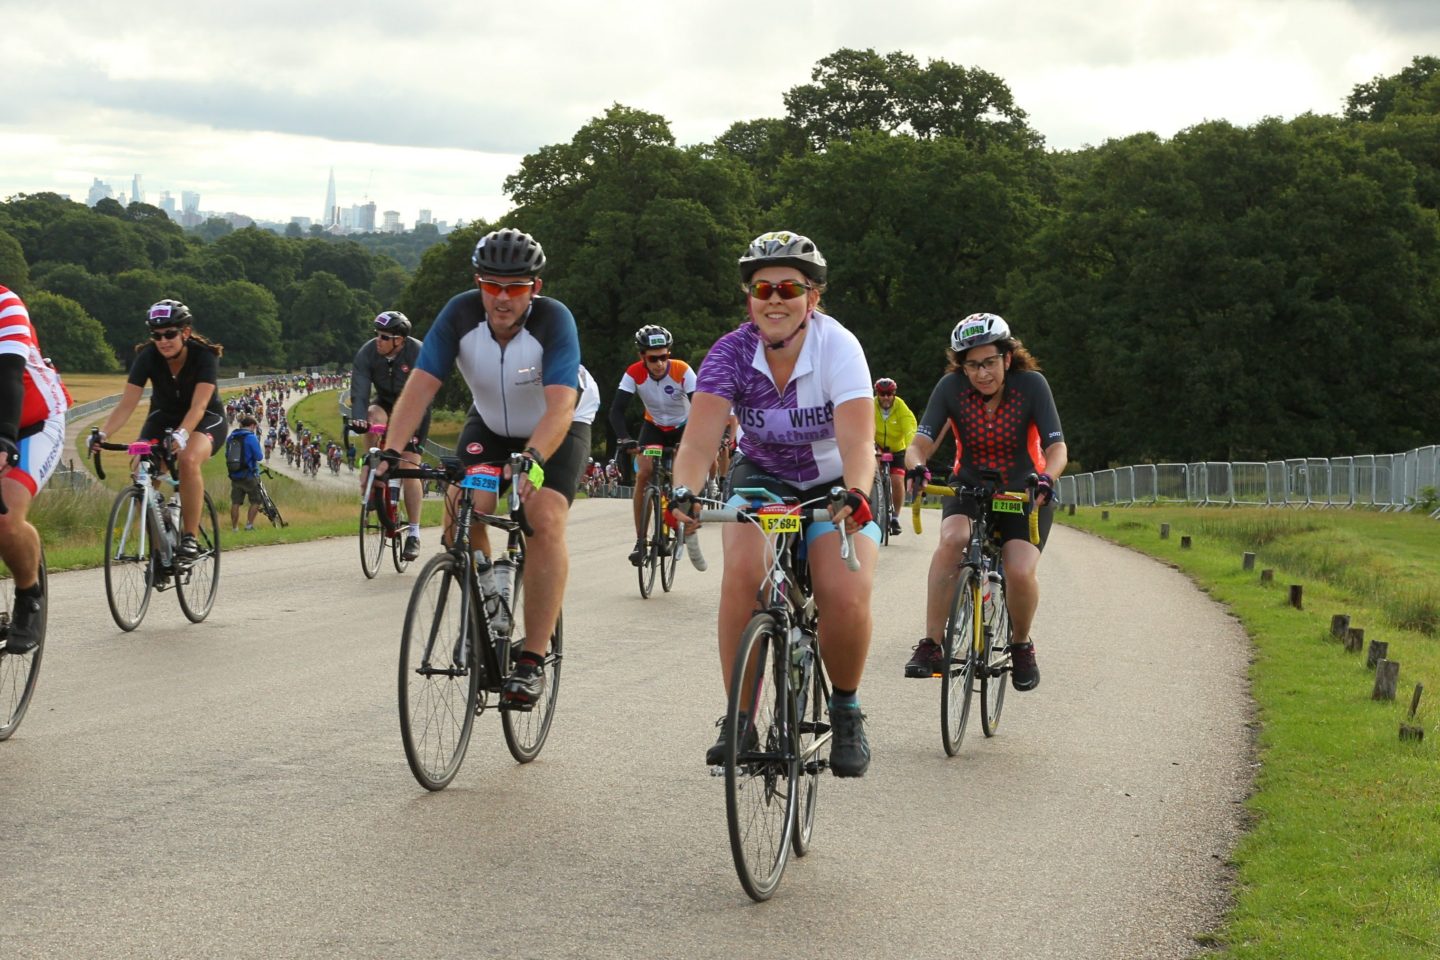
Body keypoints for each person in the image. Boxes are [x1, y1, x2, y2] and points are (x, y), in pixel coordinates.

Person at [668, 230, 879, 778]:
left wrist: (855, 494)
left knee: (843, 591)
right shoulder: (731, 353)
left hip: (835, 481)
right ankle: (738, 718)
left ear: (813, 297)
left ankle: (847, 709)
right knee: (742, 571)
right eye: (763, 288)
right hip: (762, 474)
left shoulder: (838, 347)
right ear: (750, 299)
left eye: (790, 287)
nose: (775, 298)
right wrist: (684, 493)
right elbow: (696, 442)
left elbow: (859, 444)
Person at [378, 228, 586, 709]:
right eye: (492, 285)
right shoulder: (460, 312)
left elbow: (559, 408)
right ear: (479, 283)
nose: (502, 297)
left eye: (516, 287)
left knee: (543, 518)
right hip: (490, 424)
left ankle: (532, 659)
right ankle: (490, 597)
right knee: (462, 507)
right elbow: (422, 386)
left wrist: (531, 461)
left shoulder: (555, 321)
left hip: (556, 429)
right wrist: (390, 452)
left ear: (535, 287)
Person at [902, 312, 1067, 689]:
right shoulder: (950, 388)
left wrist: (1047, 477)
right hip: (969, 486)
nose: (982, 374)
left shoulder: (1032, 386)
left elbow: (1057, 446)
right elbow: (920, 444)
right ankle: (931, 643)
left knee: (1020, 570)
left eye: (990, 362)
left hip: (1023, 490)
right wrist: (916, 467)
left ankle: (1021, 644)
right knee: (952, 539)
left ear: (1007, 359)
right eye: (972, 365)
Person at [92, 300, 227, 562]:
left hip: (204, 419)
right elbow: (126, 404)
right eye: (156, 335)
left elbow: (199, 407)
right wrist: (103, 434)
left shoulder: (204, 356)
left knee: (188, 460)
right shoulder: (148, 357)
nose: (163, 340)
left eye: (169, 334)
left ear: (185, 333)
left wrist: (182, 435)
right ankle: (159, 552)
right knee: (141, 471)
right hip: (162, 417)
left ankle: (189, 538)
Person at [0, 285, 71, 654]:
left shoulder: (6, 304)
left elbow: (9, 376)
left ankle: (29, 596)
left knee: (6, 516)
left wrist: (5, 439)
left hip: (32, 421)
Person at [609, 325, 696, 565]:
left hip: (683, 426)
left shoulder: (682, 370)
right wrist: (625, 438)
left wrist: (692, 443)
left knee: (680, 473)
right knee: (643, 474)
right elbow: (616, 411)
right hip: (654, 426)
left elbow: (699, 406)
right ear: (642, 357)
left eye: (664, 356)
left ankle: (677, 519)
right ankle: (640, 540)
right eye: (653, 358)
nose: (659, 363)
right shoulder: (634, 373)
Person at [350, 311, 428, 561]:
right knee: (372, 415)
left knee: (409, 467)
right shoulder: (368, 352)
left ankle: (414, 533)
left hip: (415, 407)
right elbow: (360, 387)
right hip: (384, 402)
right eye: (376, 335)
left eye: (384, 336)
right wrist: (359, 416)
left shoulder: (418, 352)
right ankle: (372, 462)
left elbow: (426, 390)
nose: (378, 340)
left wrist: (409, 429)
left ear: (400, 340)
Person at [873, 377, 916, 537]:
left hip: (897, 448)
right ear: (877, 393)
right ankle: (873, 507)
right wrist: (872, 445)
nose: (885, 397)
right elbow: (865, 425)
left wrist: (912, 449)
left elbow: (910, 430)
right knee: (872, 474)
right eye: (882, 394)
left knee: (897, 481)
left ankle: (895, 517)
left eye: (889, 394)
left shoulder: (901, 408)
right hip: (877, 446)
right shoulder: (870, 405)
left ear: (894, 394)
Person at [226, 415, 266, 531]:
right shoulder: (251, 438)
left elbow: (227, 455)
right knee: (256, 500)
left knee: (235, 502)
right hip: (249, 475)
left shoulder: (231, 437)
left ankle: (234, 528)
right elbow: (259, 457)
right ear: (252, 425)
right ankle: (249, 525)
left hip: (235, 475)